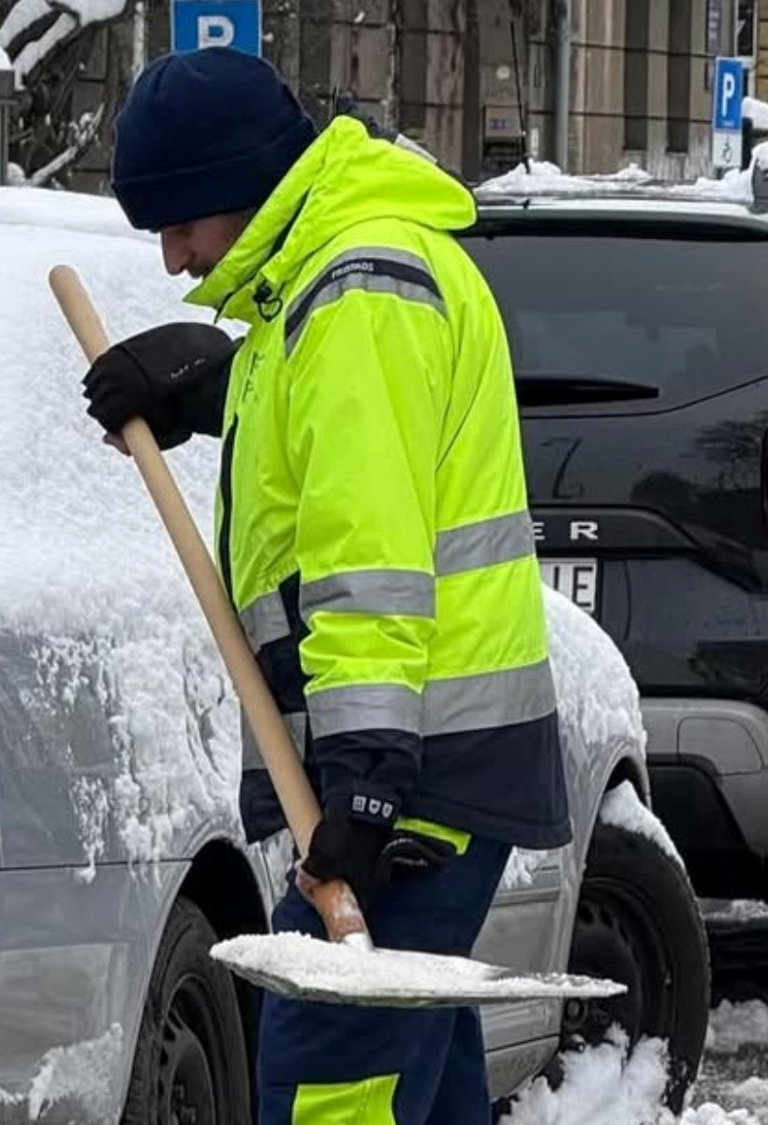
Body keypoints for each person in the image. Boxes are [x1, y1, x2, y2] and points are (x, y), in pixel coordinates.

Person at [78, 46, 571, 1125]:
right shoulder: (331, 284)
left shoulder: (358, 297)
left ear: (244, 190)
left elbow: (367, 558)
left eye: (182, 224)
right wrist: (211, 388)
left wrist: (363, 778)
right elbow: (330, 457)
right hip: (427, 751)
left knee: (329, 1078)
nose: (171, 259)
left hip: (415, 766)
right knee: (417, 1064)